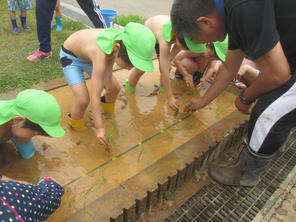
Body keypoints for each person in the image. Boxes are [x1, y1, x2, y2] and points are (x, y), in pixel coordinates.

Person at [171, 0, 296, 187]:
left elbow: (278, 75)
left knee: (267, 113)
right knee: (275, 105)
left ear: (204, 22)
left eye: (198, 38)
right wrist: (202, 102)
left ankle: (247, 173)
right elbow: (229, 67)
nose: (205, 44)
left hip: (288, 67)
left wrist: (245, 97)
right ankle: (277, 141)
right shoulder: (232, 13)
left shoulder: (244, 9)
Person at [60, 22, 156, 146]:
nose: (129, 69)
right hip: (71, 58)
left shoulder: (117, 44)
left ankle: (105, 115)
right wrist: (99, 127)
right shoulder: (101, 53)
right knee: (83, 99)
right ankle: (77, 129)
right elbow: (95, 94)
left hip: (90, 56)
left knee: (114, 89)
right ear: (118, 51)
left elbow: (108, 74)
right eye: (129, 64)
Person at [0, 89, 65, 159]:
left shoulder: (17, 121)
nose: (32, 136)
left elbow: (25, 142)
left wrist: (30, 157)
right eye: (35, 133)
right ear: (18, 120)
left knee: (23, 135)